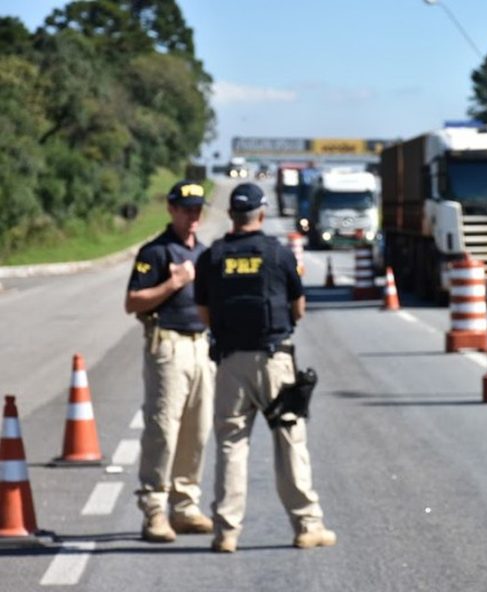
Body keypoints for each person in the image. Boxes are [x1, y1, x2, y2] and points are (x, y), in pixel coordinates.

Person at [193, 182, 335, 553]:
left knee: (231, 446)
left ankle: (226, 531)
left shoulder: (212, 257)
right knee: (289, 441)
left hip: (229, 363)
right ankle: (307, 525)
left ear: (231, 215)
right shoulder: (278, 253)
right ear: (261, 212)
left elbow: (203, 312)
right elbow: (298, 308)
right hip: (274, 360)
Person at [125, 180, 215, 543]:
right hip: (168, 343)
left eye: (197, 209)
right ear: (171, 210)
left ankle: (185, 504)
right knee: (163, 427)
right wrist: (172, 284)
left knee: (198, 428)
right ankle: (154, 508)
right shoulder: (156, 252)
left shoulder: (205, 254)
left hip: (200, 345)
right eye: (186, 209)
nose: (193, 216)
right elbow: (132, 302)